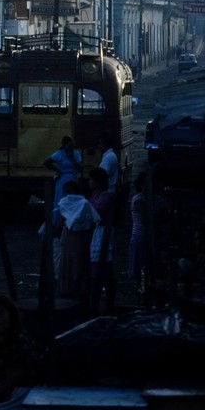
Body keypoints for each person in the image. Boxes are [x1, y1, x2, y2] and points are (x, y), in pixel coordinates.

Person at [54, 180, 100, 317]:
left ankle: (69, 297)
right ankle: (80, 297)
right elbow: (93, 222)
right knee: (79, 267)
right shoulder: (84, 204)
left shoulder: (67, 203)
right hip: (79, 240)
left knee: (69, 267)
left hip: (70, 239)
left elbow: (59, 224)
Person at [87, 167, 117, 315]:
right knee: (98, 271)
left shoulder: (106, 196)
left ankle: (106, 305)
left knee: (104, 270)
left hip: (102, 235)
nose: (89, 182)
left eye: (91, 179)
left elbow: (95, 212)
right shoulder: (94, 194)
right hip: (95, 235)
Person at [43, 136, 83, 208]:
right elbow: (46, 162)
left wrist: (72, 159)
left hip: (73, 178)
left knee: (73, 200)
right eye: (69, 145)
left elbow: (80, 169)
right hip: (63, 179)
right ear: (64, 145)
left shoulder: (76, 154)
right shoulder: (60, 153)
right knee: (61, 198)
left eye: (72, 145)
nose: (71, 147)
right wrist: (57, 170)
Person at [127, 172, 151, 286]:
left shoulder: (147, 198)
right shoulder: (139, 199)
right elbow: (145, 217)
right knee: (141, 269)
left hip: (142, 236)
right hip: (139, 235)